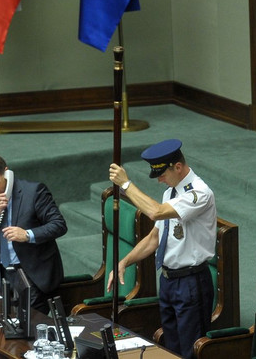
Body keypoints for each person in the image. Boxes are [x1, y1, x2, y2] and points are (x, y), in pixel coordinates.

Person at [108, 139, 217, 359]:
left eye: (162, 174)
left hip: (191, 282)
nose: (159, 180)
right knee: (170, 349)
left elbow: (155, 213)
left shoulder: (199, 193)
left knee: (189, 352)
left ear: (177, 167)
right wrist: (124, 261)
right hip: (168, 281)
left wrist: (126, 185)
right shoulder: (171, 192)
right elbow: (154, 238)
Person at [0, 154, 67, 314]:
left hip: (32, 274)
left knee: (27, 325)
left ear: (6, 173)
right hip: (4, 276)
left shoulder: (34, 192)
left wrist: (27, 235)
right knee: (7, 325)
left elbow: (59, 225)